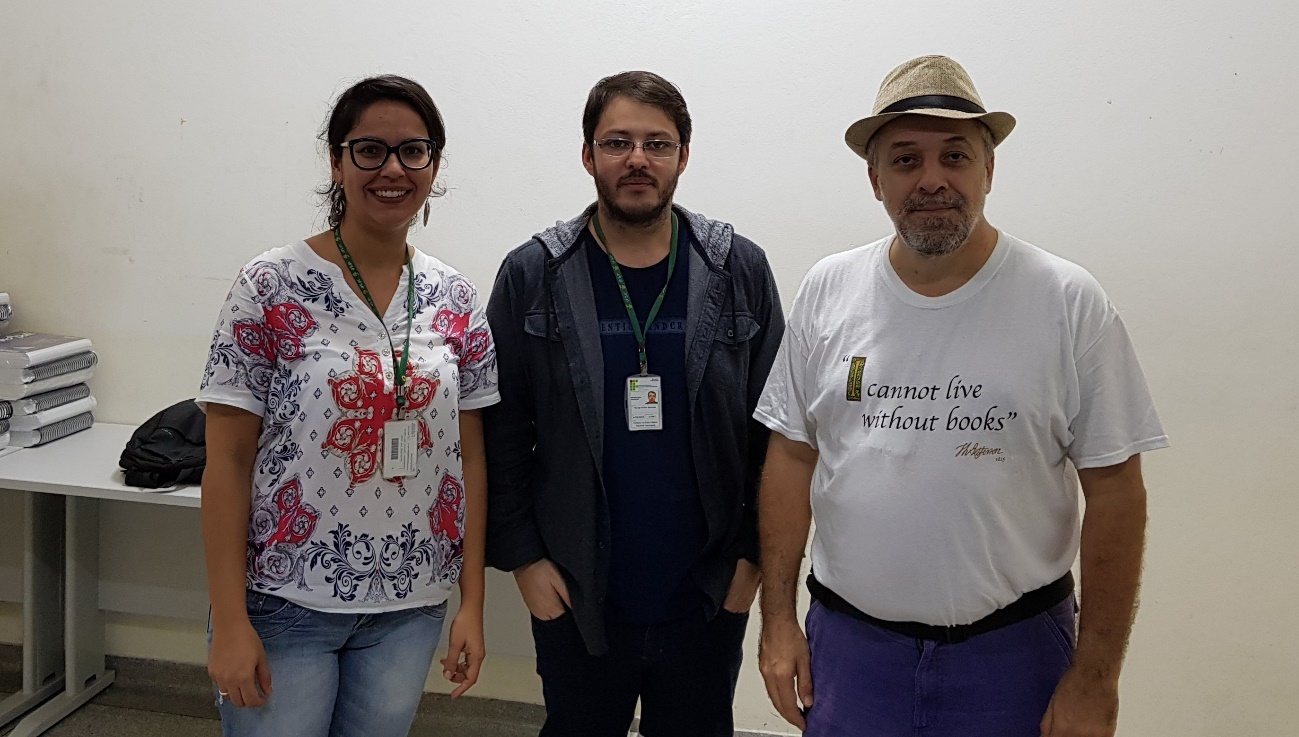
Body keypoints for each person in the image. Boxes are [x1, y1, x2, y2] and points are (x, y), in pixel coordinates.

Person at [755, 56, 1169, 737]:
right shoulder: (828, 289)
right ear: (874, 179)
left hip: (1013, 659)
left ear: (988, 170)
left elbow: (1117, 488)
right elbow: (791, 455)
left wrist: (1095, 678)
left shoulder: (1066, 301)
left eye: (954, 155)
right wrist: (775, 622)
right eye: (905, 159)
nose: (932, 180)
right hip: (850, 655)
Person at [483, 71, 784, 737]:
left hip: (705, 592)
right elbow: (499, 431)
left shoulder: (739, 269)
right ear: (588, 155)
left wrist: (749, 562)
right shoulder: (534, 274)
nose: (638, 159)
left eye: (658, 142)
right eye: (617, 141)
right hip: (577, 592)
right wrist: (524, 561)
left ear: (683, 155)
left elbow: (775, 432)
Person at [198, 75, 498, 737]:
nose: (392, 168)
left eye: (412, 151)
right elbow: (227, 459)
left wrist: (472, 602)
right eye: (369, 150)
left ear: (434, 166)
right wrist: (230, 618)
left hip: (411, 603)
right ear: (336, 162)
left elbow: (470, 457)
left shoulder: (456, 297)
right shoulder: (269, 284)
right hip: (285, 600)